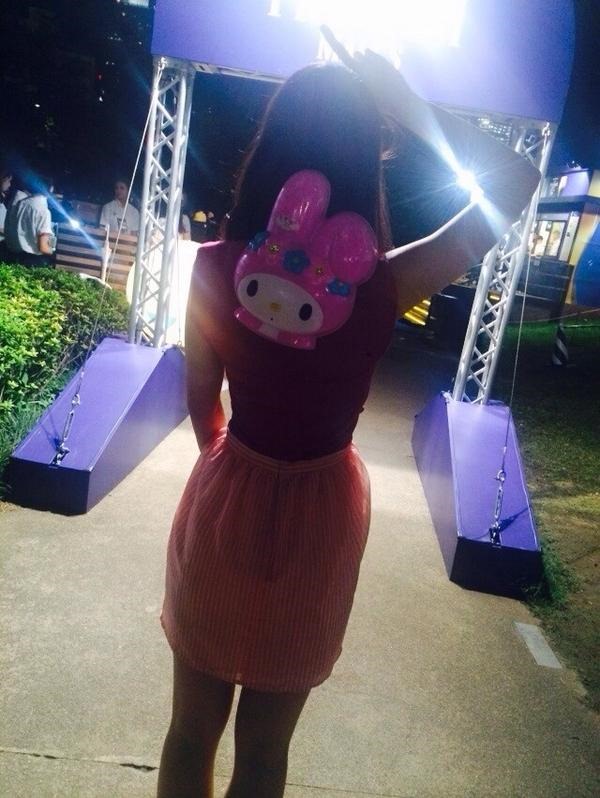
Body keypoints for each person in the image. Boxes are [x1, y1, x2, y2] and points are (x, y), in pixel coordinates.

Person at [157, 34, 540, 798]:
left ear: (270, 152)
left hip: (229, 495)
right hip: (324, 516)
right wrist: (409, 105)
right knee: (265, 750)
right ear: (366, 160)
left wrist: (230, 472)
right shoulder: (385, 285)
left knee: (191, 729)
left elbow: (201, 398)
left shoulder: (215, 267)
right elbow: (518, 181)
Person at [4, 173, 55, 267]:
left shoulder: (20, 203)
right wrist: (53, 252)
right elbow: (43, 248)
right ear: (50, 190)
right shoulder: (43, 211)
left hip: (11, 255)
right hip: (31, 261)